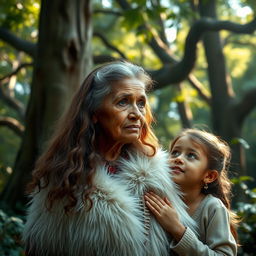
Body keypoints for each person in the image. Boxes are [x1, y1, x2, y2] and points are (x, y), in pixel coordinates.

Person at [23, 61, 196, 256]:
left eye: (141, 103)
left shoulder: (163, 173)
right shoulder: (63, 179)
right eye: (123, 102)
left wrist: (180, 232)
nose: (137, 114)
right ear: (95, 112)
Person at [145, 128, 239, 256]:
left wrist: (177, 229)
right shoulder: (159, 198)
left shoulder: (212, 207)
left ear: (209, 176)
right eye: (175, 152)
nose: (178, 159)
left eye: (191, 155)